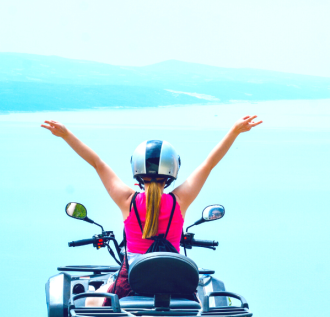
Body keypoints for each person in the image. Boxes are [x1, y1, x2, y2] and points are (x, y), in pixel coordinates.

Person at [42, 116, 262, 303]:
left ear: (136, 169)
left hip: (131, 285)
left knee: (88, 302)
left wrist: (66, 134)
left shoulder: (127, 201)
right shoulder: (179, 201)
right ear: (173, 170)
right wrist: (234, 131)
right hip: (176, 285)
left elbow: (97, 163)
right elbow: (208, 163)